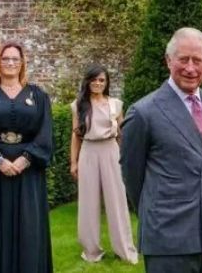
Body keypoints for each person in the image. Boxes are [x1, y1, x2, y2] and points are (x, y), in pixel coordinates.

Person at [121, 27, 202, 273]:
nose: (190, 68)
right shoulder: (143, 113)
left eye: (198, 61)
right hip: (168, 237)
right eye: (183, 59)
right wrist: (157, 210)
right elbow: (132, 175)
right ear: (168, 61)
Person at [0, 41, 54, 273]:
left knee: (29, 228)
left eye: (15, 58)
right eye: (5, 59)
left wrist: (25, 158)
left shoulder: (38, 96)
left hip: (29, 174)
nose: (10, 63)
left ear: (22, 63)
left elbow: (45, 134)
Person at [69, 65, 138, 264]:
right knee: (88, 203)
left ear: (106, 83)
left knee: (117, 201)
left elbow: (122, 134)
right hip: (88, 152)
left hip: (111, 152)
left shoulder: (116, 104)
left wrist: (126, 158)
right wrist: (74, 163)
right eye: (94, 80)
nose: (98, 83)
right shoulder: (78, 106)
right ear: (87, 82)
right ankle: (91, 250)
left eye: (102, 80)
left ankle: (124, 250)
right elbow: (75, 137)